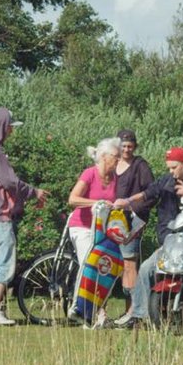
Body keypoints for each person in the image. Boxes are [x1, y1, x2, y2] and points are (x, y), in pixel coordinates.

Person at [114, 147, 183, 328]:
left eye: (174, 167)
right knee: (146, 268)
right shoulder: (168, 180)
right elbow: (148, 193)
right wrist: (127, 201)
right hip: (174, 238)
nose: (171, 171)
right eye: (169, 168)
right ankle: (139, 315)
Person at [0, 107, 48, 326]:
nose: (11, 131)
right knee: (4, 262)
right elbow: (10, 181)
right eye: (9, 127)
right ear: (1, 127)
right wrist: (34, 192)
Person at [67, 137, 122, 328]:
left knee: (103, 268)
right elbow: (73, 199)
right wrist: (96, 203)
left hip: (101, 229)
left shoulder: (115, 178)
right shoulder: (90, 174)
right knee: (89, 264)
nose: (118, 160)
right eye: (116, 156)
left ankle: (99, 314)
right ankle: (80, 310)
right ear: (104, 157)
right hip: (81, 227)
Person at [113, 130, 155, 328]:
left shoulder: (141, 166)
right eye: (123, 146)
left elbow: (151, 194)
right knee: (119, 265)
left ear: (135, 147)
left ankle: (134, 311)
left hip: (132, 221)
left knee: (130, 264)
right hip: (112, 221)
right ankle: (128, 309)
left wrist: (131, 207)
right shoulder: (112, 163)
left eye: (130, 146)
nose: (127, 150)